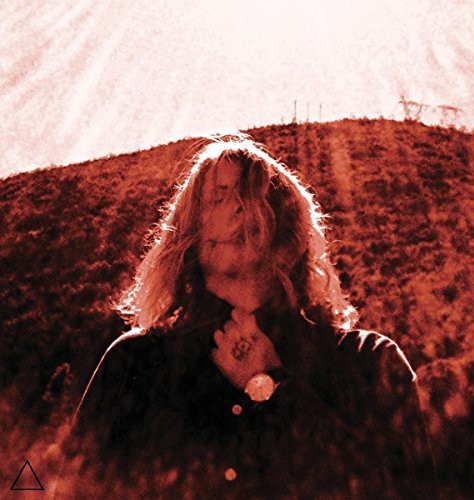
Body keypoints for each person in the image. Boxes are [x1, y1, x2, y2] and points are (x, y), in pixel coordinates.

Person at [58, 134, 437, 498]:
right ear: (190, 229)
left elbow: (404, 489)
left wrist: (272, 386)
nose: (236, 210)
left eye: (250, 195)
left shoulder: (369, 361)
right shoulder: (135, 363)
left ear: (287, 231)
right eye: (217, 198)